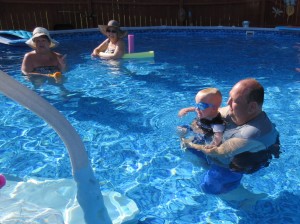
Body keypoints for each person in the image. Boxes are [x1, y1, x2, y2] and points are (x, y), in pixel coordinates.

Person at [181, 78, 280, 195]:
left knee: (210, 188)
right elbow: (212, 113)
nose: (228, 103)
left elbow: (218, 151)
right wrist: (194, 126)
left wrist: (189, 143)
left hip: (243, 161)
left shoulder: (253, 133)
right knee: (189, 144)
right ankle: (208, 166)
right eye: (229, 97)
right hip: (229, 148)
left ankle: (248, 197)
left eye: (234, 100)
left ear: (252, 107)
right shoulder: (236, 110)